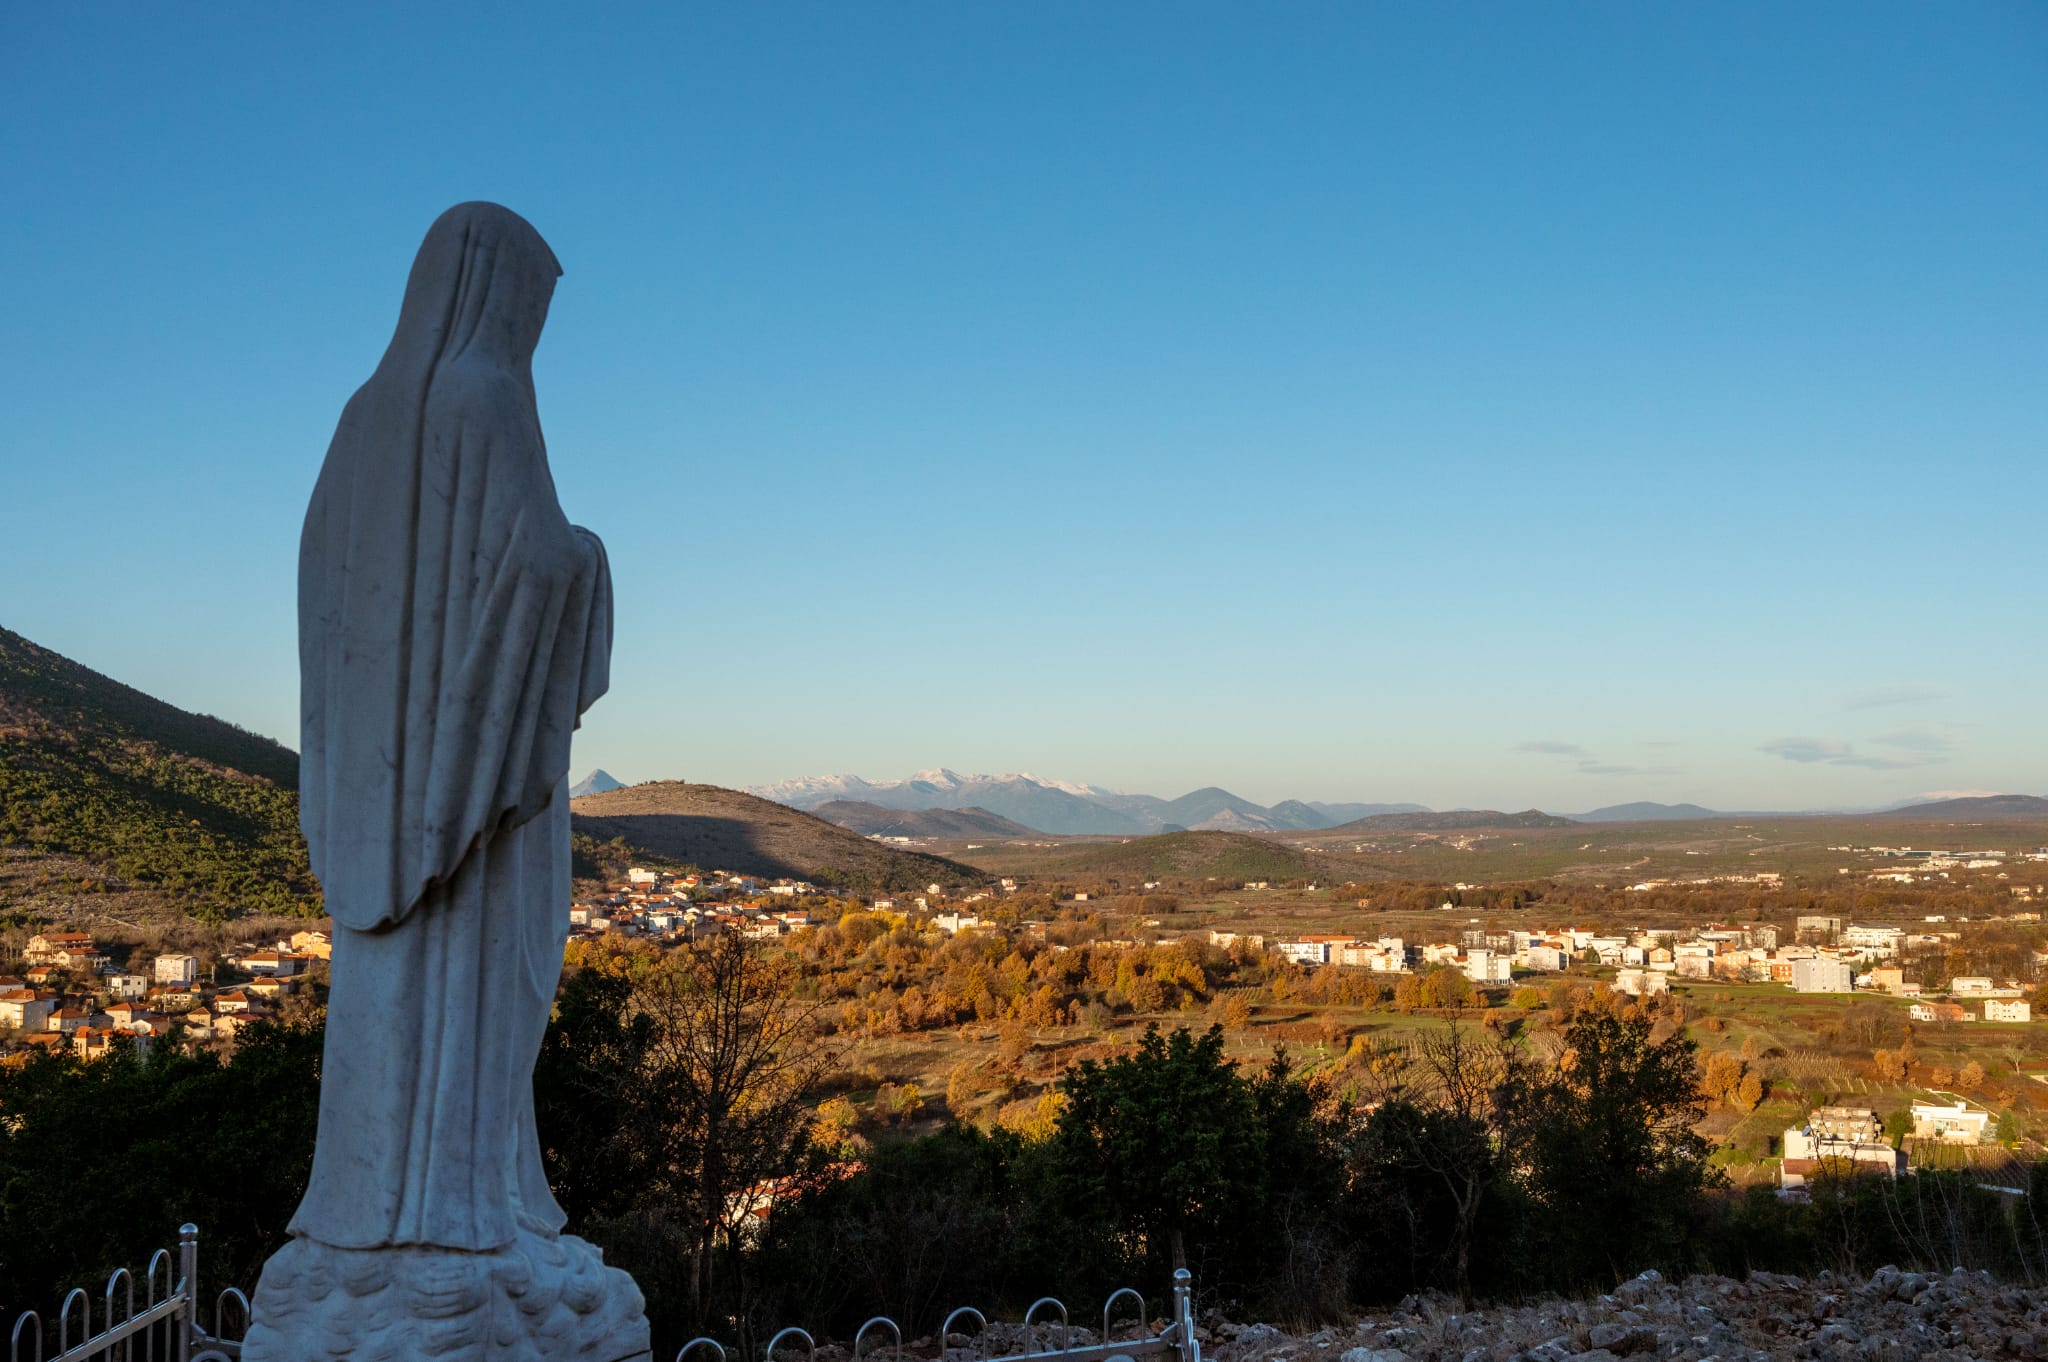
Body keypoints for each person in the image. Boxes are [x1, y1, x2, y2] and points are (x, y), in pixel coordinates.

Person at [291, 201, 611, 1253]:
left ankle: (364, 1211)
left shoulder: (360, 413)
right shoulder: (485, 399)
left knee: (383, 1006)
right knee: (477, 998)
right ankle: (458, 1213)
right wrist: (593, 554)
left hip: (381, 794)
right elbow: (543, 563)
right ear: (498, 291)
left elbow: (326, 597)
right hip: (471, 799)